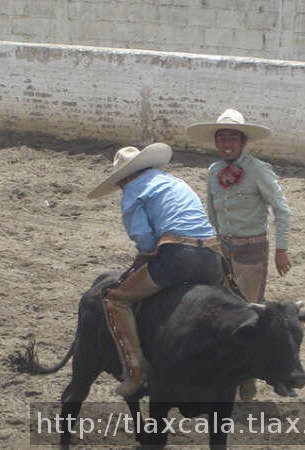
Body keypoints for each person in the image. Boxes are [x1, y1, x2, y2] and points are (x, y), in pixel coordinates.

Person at [87, 143, 224, 398]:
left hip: (179, 257)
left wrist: (143, 258)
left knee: (114, 298)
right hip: (213, 257)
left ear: (123, 177)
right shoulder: (174, 182)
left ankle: (136, 371)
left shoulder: (132, 192)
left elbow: (145, 240)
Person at [186, 109, 291, 399]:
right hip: (223, 250)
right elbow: (211, 214)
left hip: (252, 252)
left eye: (232, 138)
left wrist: (281, 249)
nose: (226, 144)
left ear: (243, 142)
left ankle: (248, 381)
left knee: (247, 314)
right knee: (219, 312)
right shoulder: (212, 172)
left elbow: (282, 210)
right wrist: (211, 246)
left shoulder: (258, 170)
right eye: (222, 138)